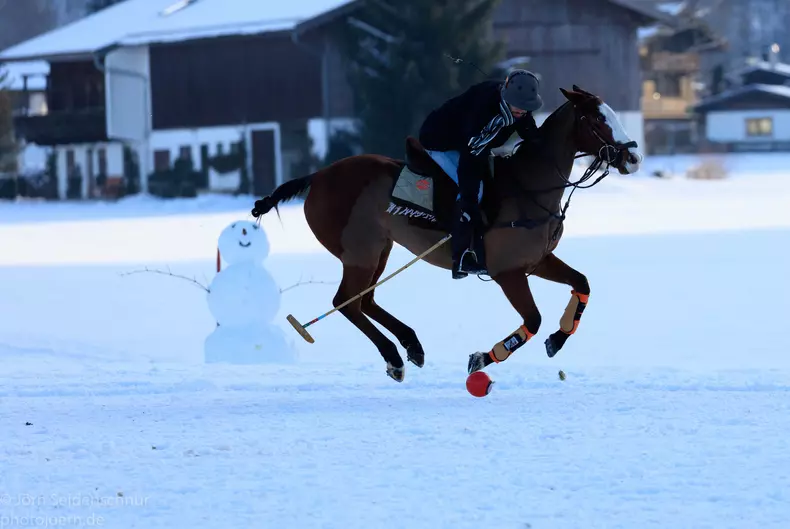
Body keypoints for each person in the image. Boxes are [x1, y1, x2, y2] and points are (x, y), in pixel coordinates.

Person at [418, 69, 543, 279]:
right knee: (474, 192)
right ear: (507, 98)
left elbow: (530, 133)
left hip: (470, 144)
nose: (522, 112)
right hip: (440, 141)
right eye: (519, 108)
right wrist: (469, 197)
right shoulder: (484, 112)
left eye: (526, 108)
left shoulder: (518, 107)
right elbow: (470, 158)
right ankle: (462, 256)